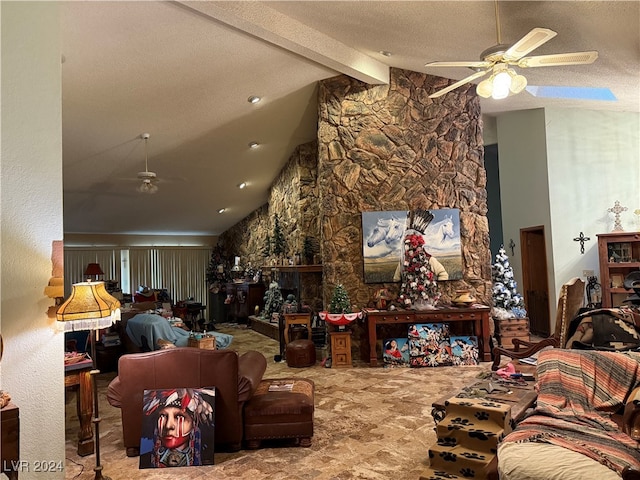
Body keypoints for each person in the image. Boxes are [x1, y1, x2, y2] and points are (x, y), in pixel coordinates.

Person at [140, 388, 215, 468]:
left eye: (179, 416)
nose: (168, 426)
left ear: (193, 423)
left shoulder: (207, 461)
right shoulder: (145, 461)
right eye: (163, 416)